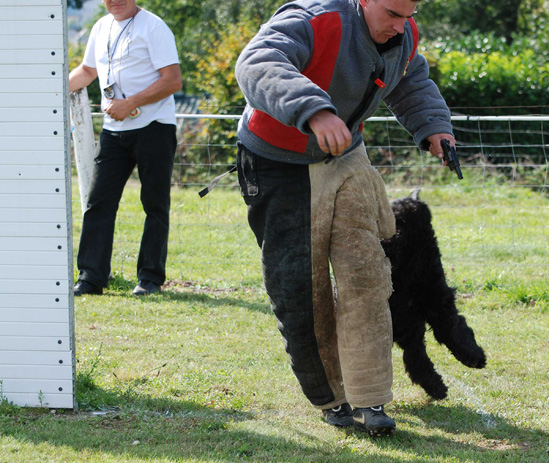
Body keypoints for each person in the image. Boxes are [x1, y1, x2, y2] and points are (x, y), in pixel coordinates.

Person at [235, 0, 456, 436]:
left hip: (346, 156)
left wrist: (433, 124)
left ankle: (370, 395)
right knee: (302, 288)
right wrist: (314, 110)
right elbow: (257, 60)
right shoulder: (314, 20)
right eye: (393, 14)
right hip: (279, 163)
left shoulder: (402, 32)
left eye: (409, 15)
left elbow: (410, 78)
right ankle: (332, 399)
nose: (401, 26)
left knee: (367, 275)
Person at [69, 0, 182, 296]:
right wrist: (47, 90)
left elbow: (172, 81)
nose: (115, 0)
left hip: (155, 127)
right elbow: (86, 71)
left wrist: (129, 103)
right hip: (114, 129)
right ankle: (91, 278)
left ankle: (150, 279)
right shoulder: (100, 26)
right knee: (98, 203)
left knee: (154, 205)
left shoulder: (154, 26)